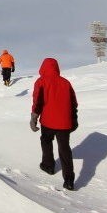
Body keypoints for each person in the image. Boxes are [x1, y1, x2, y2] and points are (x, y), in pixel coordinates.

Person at [29, 58, 79, 190]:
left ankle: (48, 165)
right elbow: (73, 103)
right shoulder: (65, 83)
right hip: (64, 123)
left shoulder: (41, 82)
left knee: (46, 141)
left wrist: (33, 118)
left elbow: (37, 102)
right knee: (64, 149)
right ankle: (69, 180)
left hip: (48, 121)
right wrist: (74, 119)